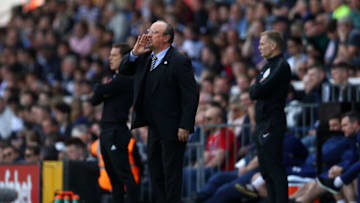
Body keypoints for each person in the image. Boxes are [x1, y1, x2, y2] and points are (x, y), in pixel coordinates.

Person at [119, 20, 199, 203]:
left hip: (172, 126)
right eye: (148, 31)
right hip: (153, 126)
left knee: (171, 172)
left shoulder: (179, 60)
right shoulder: (144, 57)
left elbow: (191, 95)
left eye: (153, 32)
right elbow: (123, 69)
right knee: (155, 171)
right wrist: (133, 52)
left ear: (166, 38)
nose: (148, 35)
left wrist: (185, 125)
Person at [89, 43, 139, 203]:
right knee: (114, 178)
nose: (110, 58)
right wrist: (102, 88)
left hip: (116, 131)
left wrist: (101, 88)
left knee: (124, 175)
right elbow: (95, 99)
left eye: (114, 55)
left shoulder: (126, 79)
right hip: (107, 132)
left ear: (124, 59)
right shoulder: (115, 80)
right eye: (110, 55)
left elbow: (98, 91)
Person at [249, 30, 291, 203]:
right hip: (262, 123)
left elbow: (257, 90)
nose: (259, 48)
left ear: (274, 45)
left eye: (262, 44)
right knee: (266, 171)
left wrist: (257, 87)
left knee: (275, 169)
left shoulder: (281, 65)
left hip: (272, 123)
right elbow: (254, 91)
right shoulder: (267, 66)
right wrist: (257, 87)